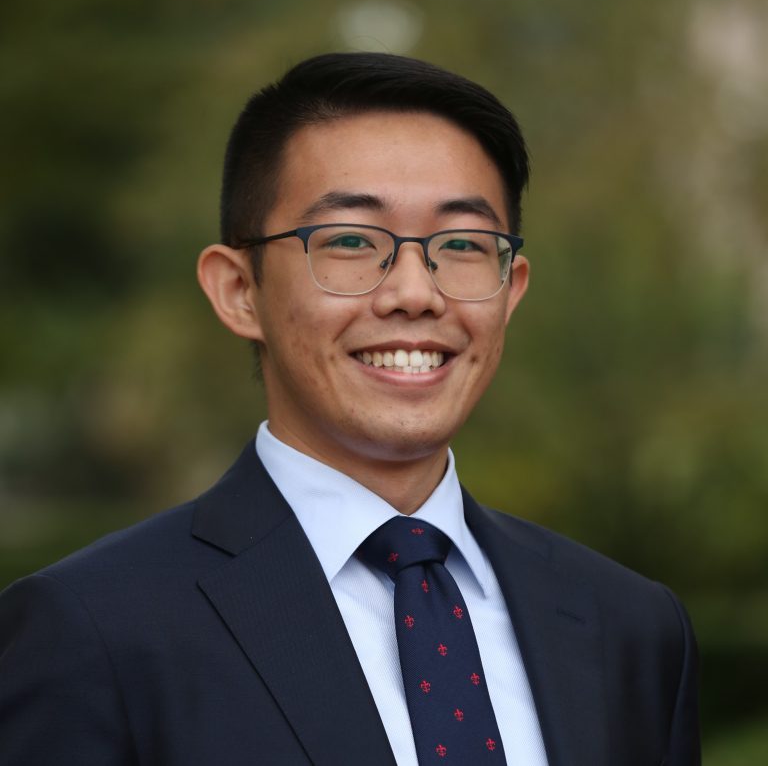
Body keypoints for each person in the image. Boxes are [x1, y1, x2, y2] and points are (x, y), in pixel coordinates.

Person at [0, 53, 700, 765]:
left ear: (510, 289)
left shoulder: (631, 628)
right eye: (351, 241)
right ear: (239, 290)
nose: (415, 294)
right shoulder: (94, 631)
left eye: (462, 244)